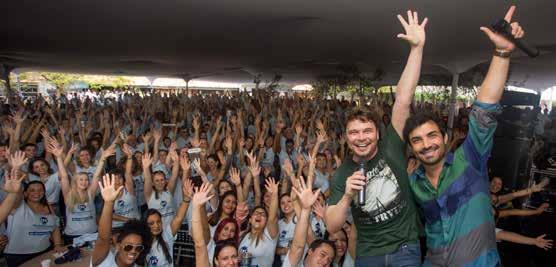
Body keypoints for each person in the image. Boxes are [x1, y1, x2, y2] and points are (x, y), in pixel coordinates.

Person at [402, 6, 525, 266]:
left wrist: (501, 54)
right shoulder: (414, 183)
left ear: (445, 139)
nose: (426, 144)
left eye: (431, 135)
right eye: (417, 140)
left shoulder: (470, 160)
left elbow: (484, 110)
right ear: (411, 149)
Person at [326, 10, 427, 266]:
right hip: (369, 252)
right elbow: (331, 225)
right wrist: (348, 196)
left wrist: (416, 49)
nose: (361, 138)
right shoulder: (342, 175)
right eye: (354, 132)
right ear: (346, 138)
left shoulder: (391, 145)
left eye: (367, 131)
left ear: (377, 133)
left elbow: (403, 99)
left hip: (405, 247)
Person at [3, 151, 65, 267]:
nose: (37, 193)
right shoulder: (18, 206)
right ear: (25, 193)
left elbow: (55, 227)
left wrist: (57, 244)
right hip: (19, 256)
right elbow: (15, 192)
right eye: (32, 190)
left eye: (40, 190)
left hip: (44, 253)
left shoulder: (48, 208)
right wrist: (16, 168)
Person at [92, 174, 152, 267]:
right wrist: (109, 203)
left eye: (138, 248)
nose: (133, 251)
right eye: (128, 247)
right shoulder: (103, 261)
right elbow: (103, 239)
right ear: (118, 246)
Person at [192, 182, 240, 267]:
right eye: (225, 229)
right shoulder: (211, 243)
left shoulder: (233, 249)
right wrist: (198, 207)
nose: (228, 232)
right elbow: (200, 242)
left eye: (233, 257)